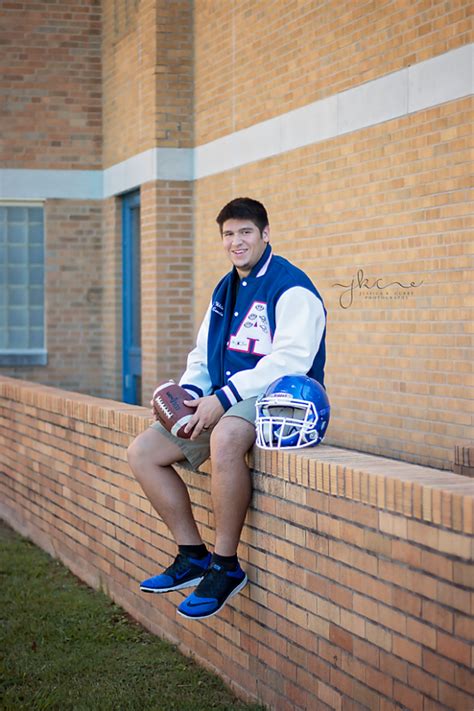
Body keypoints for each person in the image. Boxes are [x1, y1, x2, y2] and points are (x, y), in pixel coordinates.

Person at [127, 197, 326, 620]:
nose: (237, 242)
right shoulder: (225, 288)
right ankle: (193, 555)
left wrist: (224, 398)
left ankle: (225, 565)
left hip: (278, 396)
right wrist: (188, 395)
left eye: (246, 232)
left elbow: (292, 359)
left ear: (265, 234)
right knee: (143, 452)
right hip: (226, 395)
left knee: (227, 435)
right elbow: (203, 353)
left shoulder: (291, 287)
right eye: (229, 234)